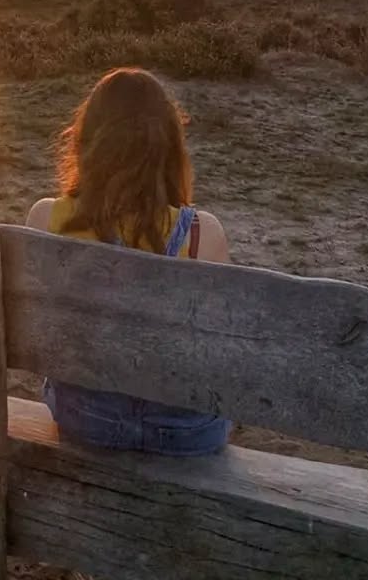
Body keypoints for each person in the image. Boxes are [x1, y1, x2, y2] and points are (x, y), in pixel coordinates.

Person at [26, 66, 231, 456]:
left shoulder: (46, 219)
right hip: (183, 431)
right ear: (169, 147)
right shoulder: (205, 234)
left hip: (87, 417)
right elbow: (219, 355)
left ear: (87, 143)